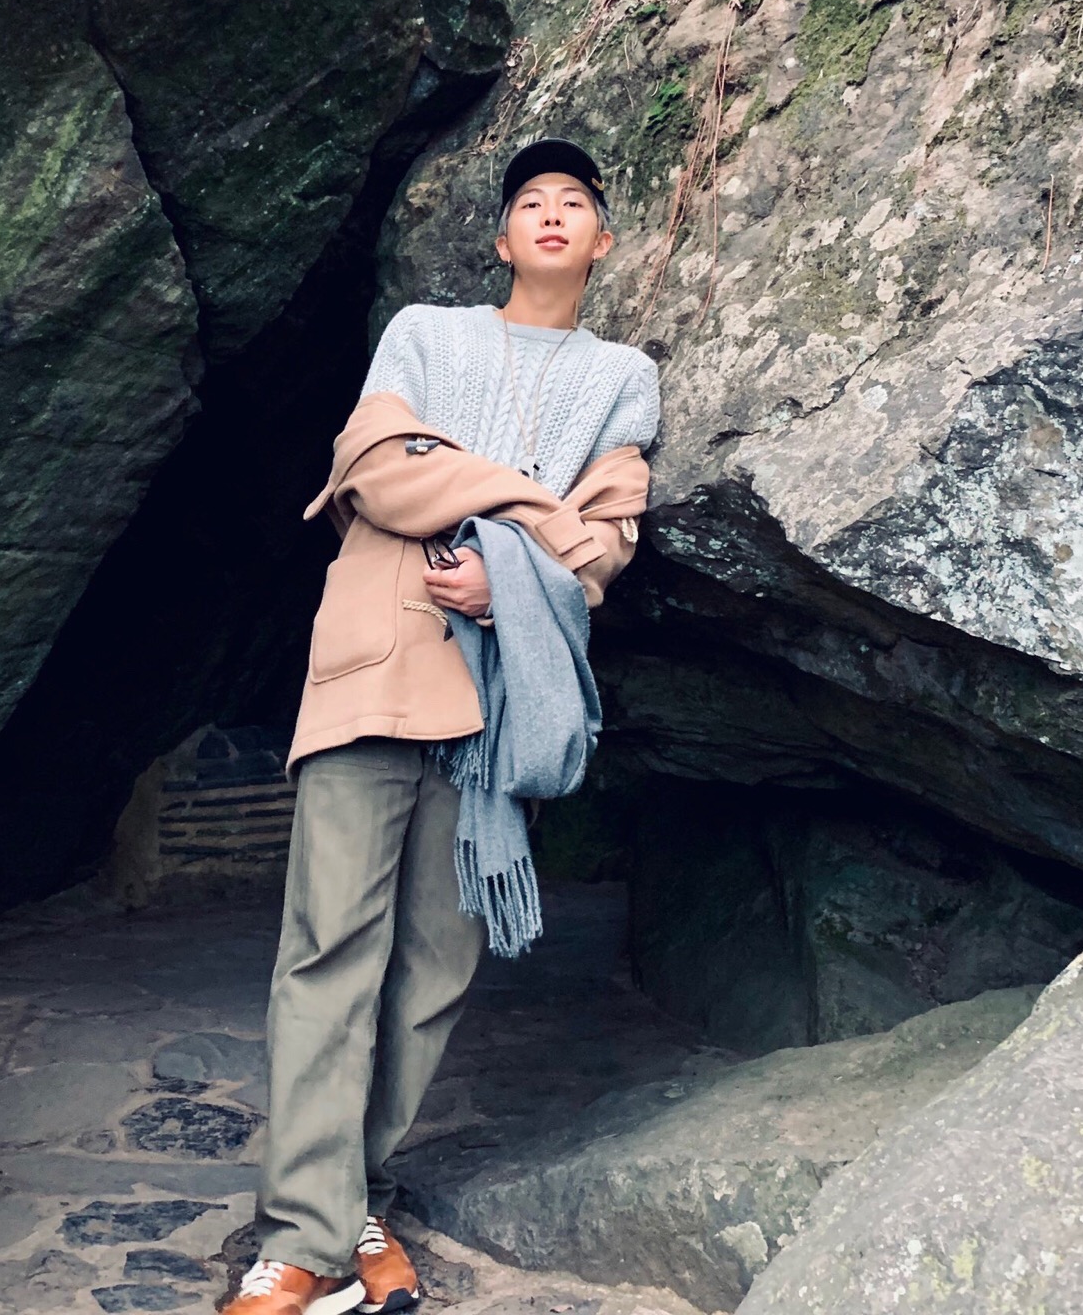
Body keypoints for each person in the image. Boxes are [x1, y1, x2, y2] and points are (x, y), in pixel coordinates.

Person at [225, 140, 661, 1315]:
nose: (553, 214)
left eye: (576, 202)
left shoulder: (622, 377)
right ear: (502, 238)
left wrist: (507, 582)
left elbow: (609, 542)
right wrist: (531, 517)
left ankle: (352, 1198)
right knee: (329, 951)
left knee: (429, 972)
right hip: (377, 668)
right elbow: (375, 471)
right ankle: (304, 1240)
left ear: (602, 240)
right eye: (531, 202)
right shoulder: (426, 334)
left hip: (495, 706)